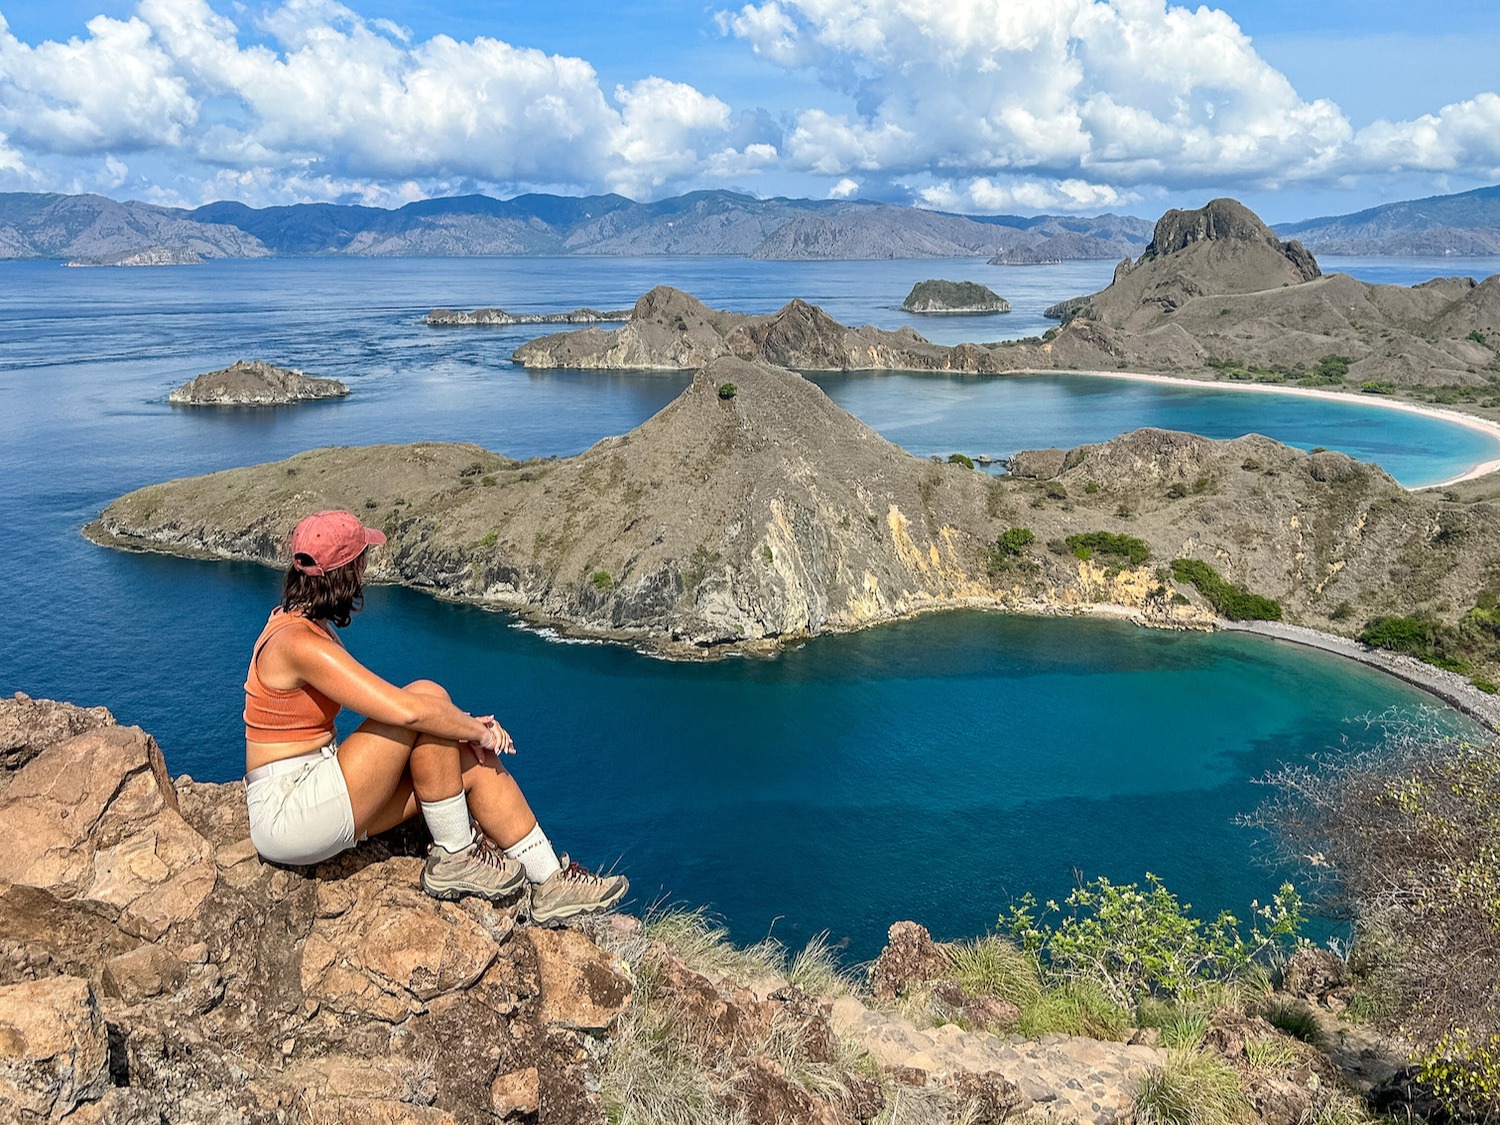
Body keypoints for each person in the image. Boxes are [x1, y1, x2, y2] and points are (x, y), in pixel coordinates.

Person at [243, 509, 627, 925]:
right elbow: (407, 711)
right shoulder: (296, 642)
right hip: (290, 812)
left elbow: (412, 714)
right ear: (346, 572)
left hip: (318, 798)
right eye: (361, 561)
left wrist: (460, 726)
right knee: (428, 698)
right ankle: (454, 858)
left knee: (464, 759)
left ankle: (550, 881)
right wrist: (480, 730)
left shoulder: (303, 624)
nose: (365, 570)